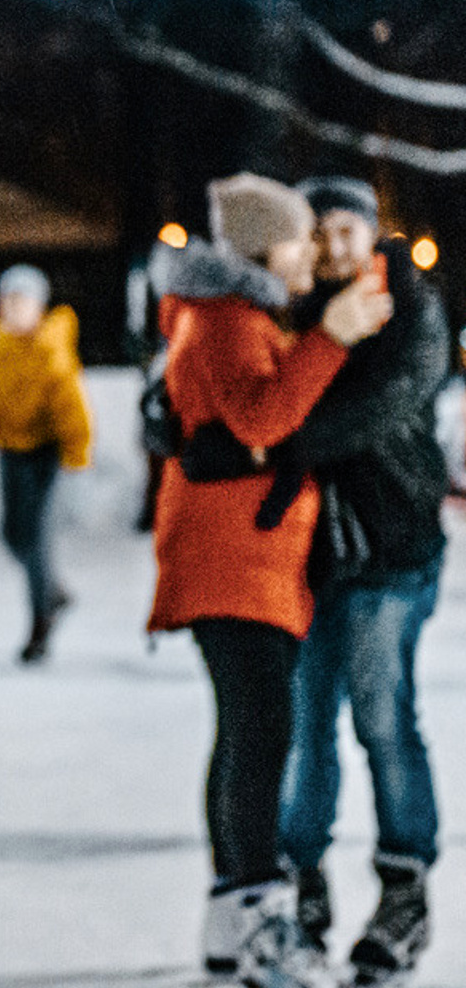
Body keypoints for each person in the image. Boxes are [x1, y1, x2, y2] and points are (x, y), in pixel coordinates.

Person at [146, 173, 391, 988]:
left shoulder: (228, 316)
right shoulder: (228, 319)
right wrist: (334, 338)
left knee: (247, 737)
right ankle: (257, 925)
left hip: (243, 559)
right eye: (296, 240)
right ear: (262, 249)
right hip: (234, 561)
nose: (309, 253)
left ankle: (231, 925)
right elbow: (262, 415)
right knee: (260, 740)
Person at [273, 177, 448, 987]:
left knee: (383, 715)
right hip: (308, 557)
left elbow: (379, 406)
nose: (334, 245)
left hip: (393, 547)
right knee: (306, 728)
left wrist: (274, 436)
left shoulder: (409, 308)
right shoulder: (290, 309)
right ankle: (300, 884)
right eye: (320, 230)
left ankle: (405, 886)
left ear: (373, 234)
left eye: (348, 228)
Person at [0, 264, 93, 661]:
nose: (15, 308)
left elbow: (73, 410)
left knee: (38, 540)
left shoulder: (51, 350)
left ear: (39, 307)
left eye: (23, 301)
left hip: (47, 454)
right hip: (10, 452)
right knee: (13, 535)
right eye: (9, 300)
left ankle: (40, 626)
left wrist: (78, 461)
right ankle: (53, 592)